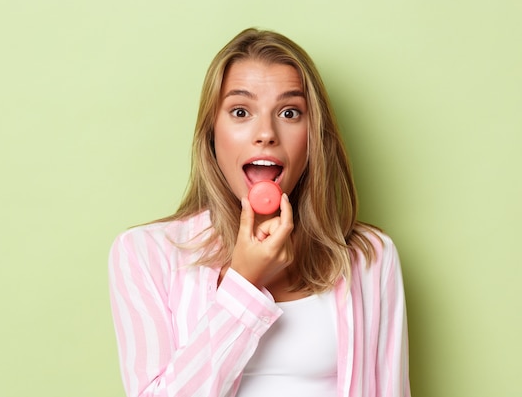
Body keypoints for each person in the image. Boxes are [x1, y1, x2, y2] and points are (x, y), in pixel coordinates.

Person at [108, 28, 411, 397]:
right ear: (211, 135)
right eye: (240, 111)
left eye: (289, 112)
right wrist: (244, 284)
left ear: (313, 137)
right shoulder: (144, 253)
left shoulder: (370, 257)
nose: (266, 133)